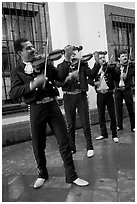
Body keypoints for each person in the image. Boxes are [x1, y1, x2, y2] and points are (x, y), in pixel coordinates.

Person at [10, 38, 89, 189]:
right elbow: (14, 92)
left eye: (32, 46)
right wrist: (32, 84)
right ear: (20, 53)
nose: (33, 50)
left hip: (52, 105)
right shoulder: (17, 70)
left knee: (64, 141)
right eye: (28, 48)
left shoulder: (45, 62)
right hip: (36, 108)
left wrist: (66, 60)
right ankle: (42, 174)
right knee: (38, 144)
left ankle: (72, 175)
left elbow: (59, 77)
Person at [56, 51, 98, 157]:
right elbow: (57, 83)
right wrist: (68, 78)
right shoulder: (61, 66)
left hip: (81, 96)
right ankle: (72, 147)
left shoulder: (83, 65)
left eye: (75, 54)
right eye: (71, 54)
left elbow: (92, 75)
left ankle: (89, 147)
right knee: (70, 124)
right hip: (68, 97)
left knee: (85, 122)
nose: (73, 56)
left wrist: (97, 62)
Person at [88, 51, 119, 143]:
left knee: (112, 114)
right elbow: (89, 79)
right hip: (100, 94)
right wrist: (94, 83)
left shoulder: (109, 68)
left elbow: (117, 78)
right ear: (97, 59)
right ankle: (103, 133)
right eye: (100, 58)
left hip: (109, 93)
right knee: (101, 115)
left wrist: (113, 70)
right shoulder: (95, 69)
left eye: (103, 58)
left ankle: (114, 134)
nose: (103, 59)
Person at [114, 49, 135, 132]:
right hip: (118, 90)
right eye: (123, 56)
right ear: (119, 58)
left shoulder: (130, 67)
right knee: (118, 109)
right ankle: (119, 125)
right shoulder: (116, 67)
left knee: (131, 109)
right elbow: (114, 77)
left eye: (126, 56)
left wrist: (132, 66)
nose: (125, 57)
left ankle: (133, 126)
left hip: (127, 89)